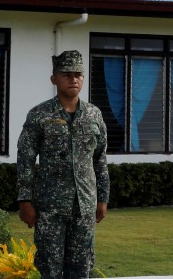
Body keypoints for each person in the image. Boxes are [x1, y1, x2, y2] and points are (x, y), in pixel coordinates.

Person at [17, 50, 110, 279]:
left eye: (78, 74)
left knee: (81, 269)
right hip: (50, 208)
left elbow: (100, 159)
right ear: (54, 79)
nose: (73, 79)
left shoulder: (94, 115)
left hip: (84, 206)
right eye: (66, 74)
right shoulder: (39, 115)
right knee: (49, 268)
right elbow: (25, 159)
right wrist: (24, 200)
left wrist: (103, 199)